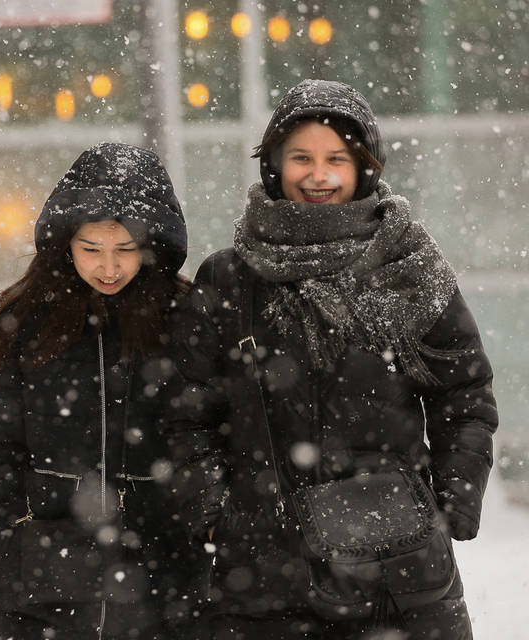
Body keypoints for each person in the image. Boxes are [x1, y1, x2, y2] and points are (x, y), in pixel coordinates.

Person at [169, 80, 499, 639]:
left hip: (397, 574)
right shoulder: (230, 277)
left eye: (335, 159)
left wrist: (449, 504)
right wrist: (219, 516)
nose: (317, 175)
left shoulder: (408, 265)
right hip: (262, 581)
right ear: (275, 165)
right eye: (301, 157)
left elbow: (464, 395)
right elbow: (187, 415)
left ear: (362, 168)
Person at [0, 142, 202, 639]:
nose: (108, 268)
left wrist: (194, 538)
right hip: (42, 591)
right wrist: (14, 546)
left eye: (125, 250)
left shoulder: (188, 321)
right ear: (65, 243)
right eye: (91, 249)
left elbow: (207, 435)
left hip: (165, 585)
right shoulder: (24, 320)